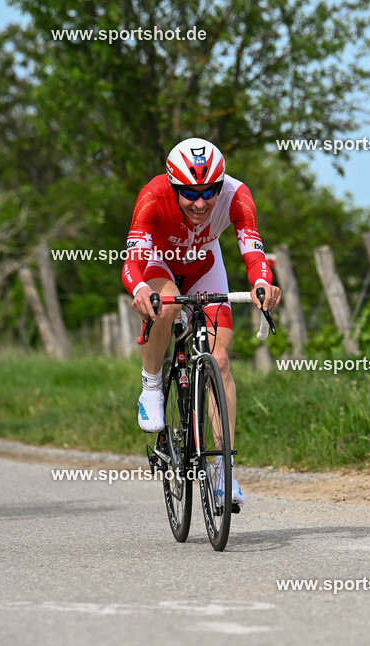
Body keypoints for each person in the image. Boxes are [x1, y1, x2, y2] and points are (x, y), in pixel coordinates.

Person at [122, 137, 281, 511]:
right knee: (163, 307)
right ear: (174, 186)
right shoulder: (152, 195)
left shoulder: (237, 196)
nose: (201, 202)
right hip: (160, 264)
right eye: (190, 192)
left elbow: (253, 250)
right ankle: (151, 387)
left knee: (220, 359)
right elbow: (133, 260)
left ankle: (223, 471)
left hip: (206, 267)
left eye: (209, 191)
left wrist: (261, 282)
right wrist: (141, 288)